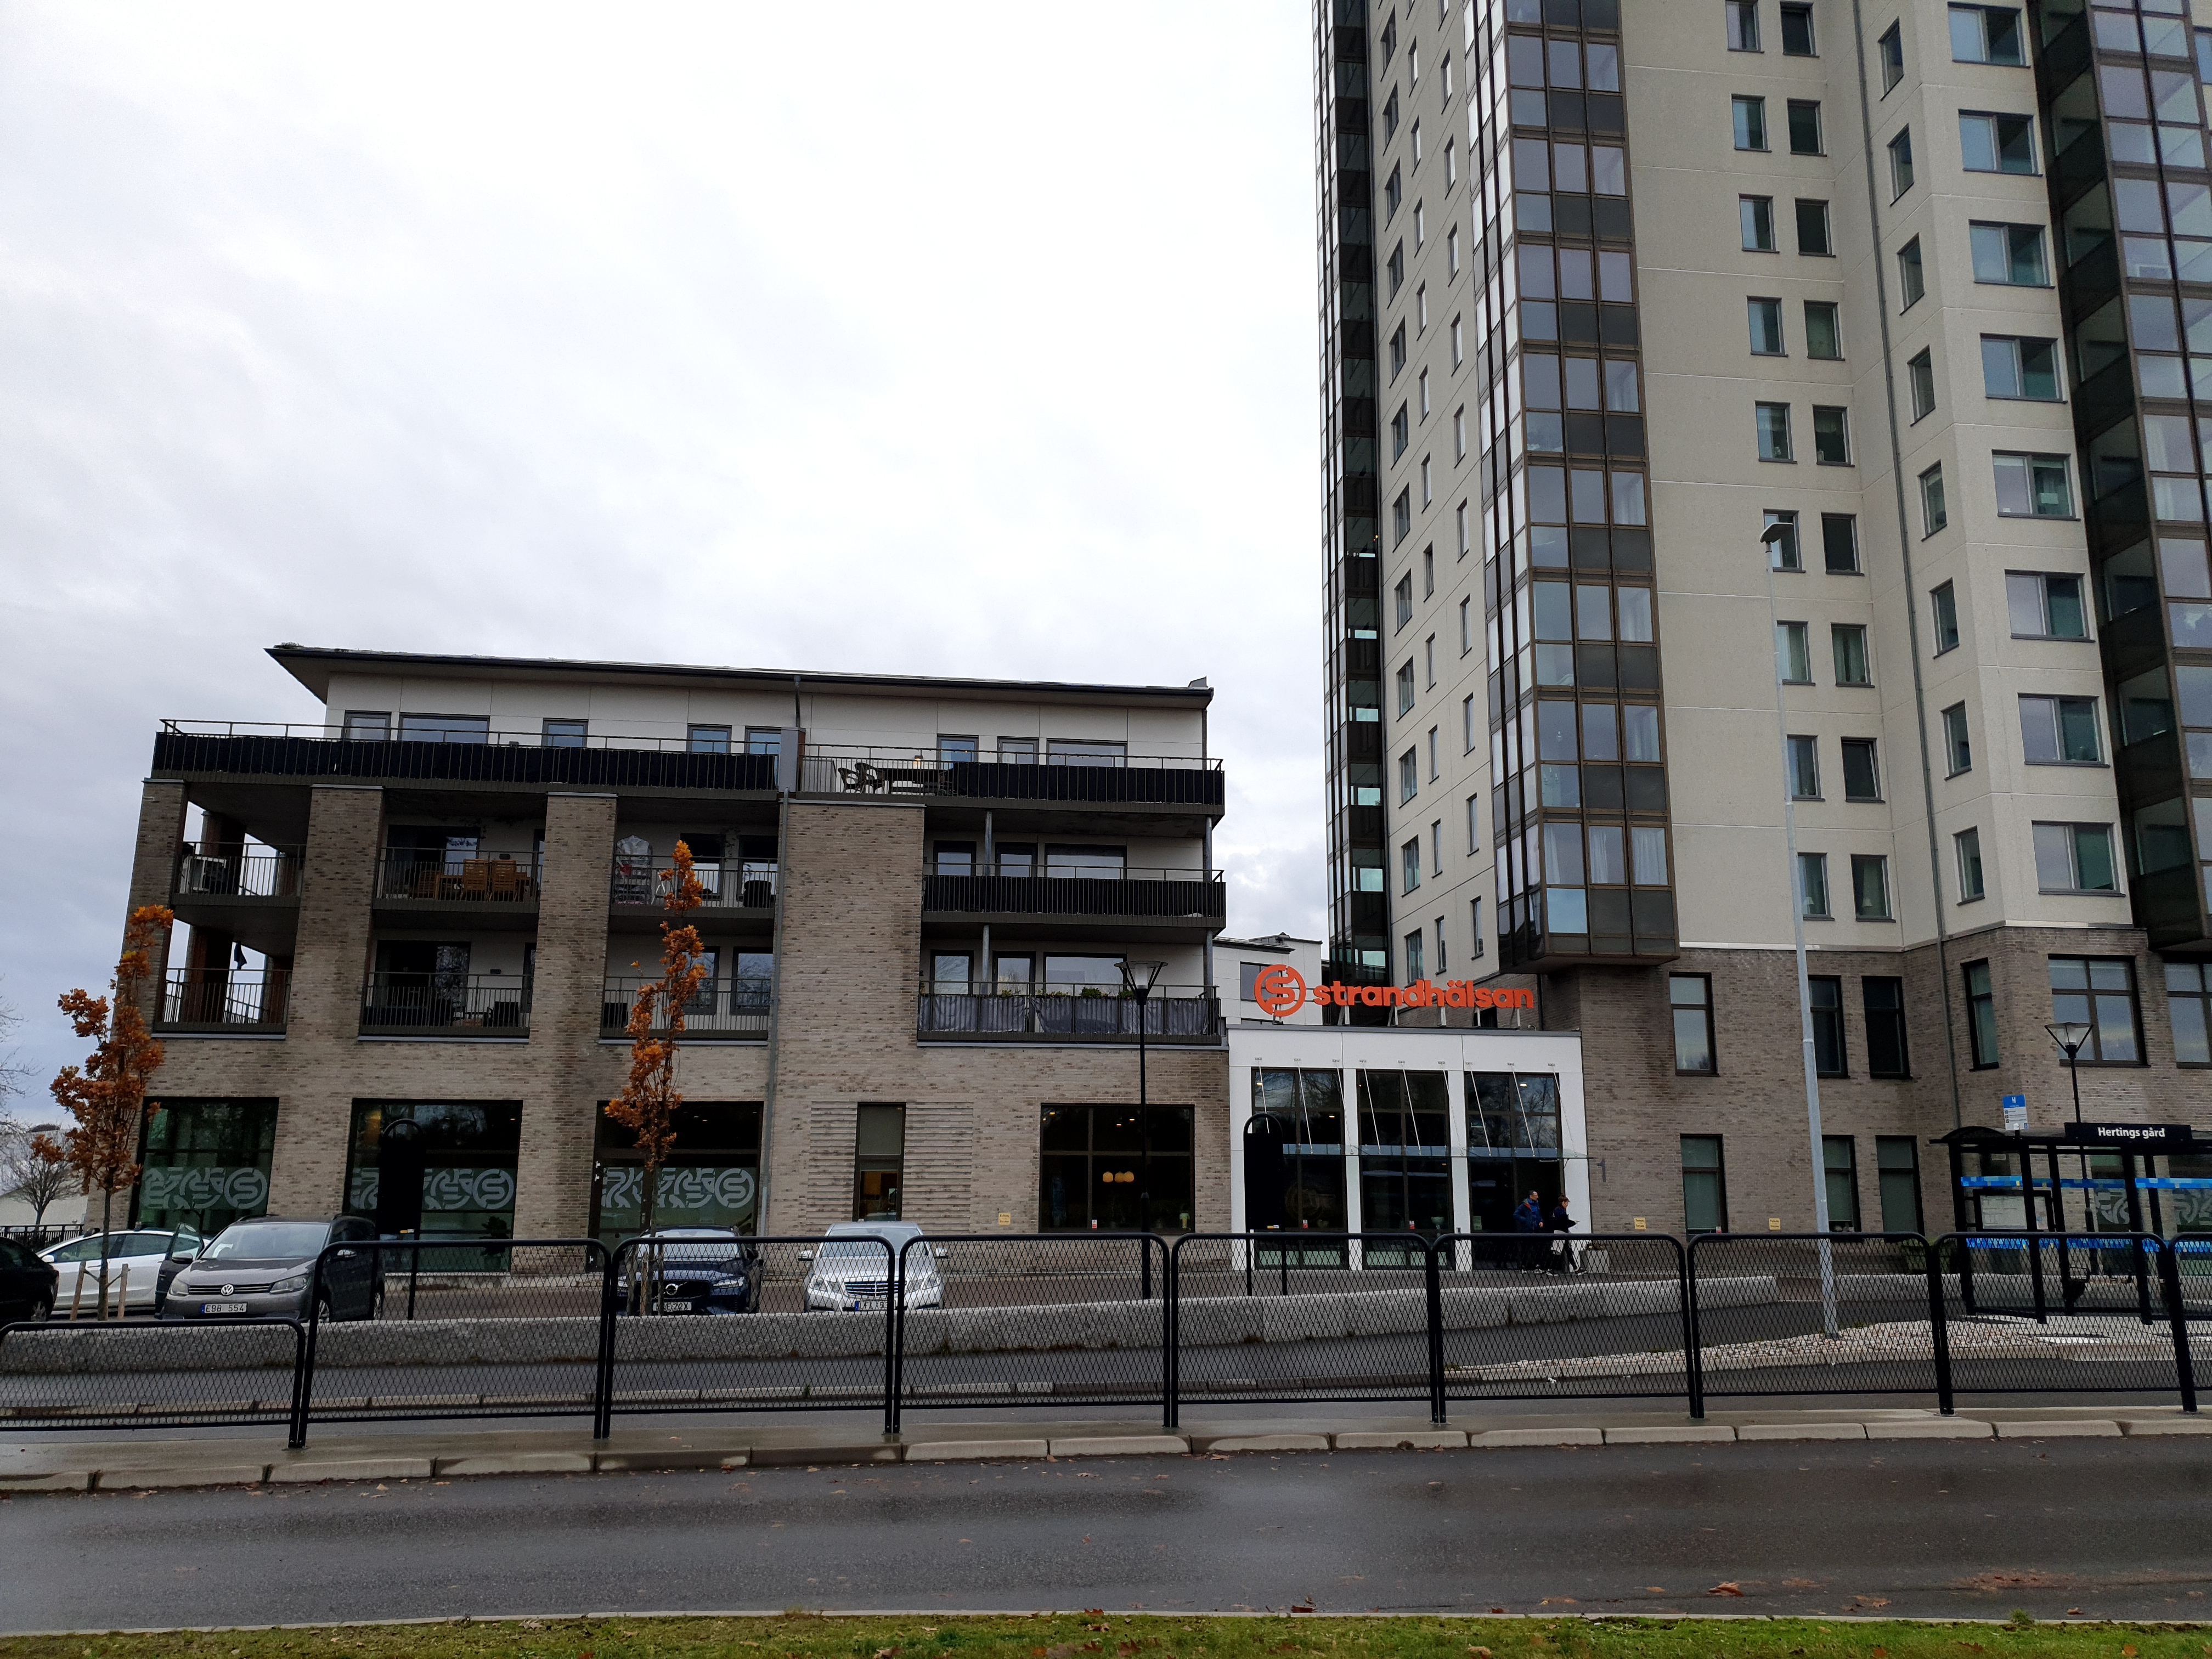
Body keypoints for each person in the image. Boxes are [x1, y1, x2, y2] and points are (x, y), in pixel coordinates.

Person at [1513, 1190, 1543, 1271]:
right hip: (1527, 1231)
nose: (1537, 1197)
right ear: (1531, 1196)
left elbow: (1539, 1215)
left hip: (1536, 1230)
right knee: (1525, 1249)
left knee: (1538, 1249)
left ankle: (1537, 1266)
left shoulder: (1537, 1204)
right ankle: (1523, 1266)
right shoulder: (1524, 1205)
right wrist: (1525, 1220)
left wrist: (1541, 1221)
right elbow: (1516, 1214)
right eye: (1536, 1196)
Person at [1548, 1194, 1578, 1274]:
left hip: (1562, 1233)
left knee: (1565, 1251)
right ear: (1563, 1203)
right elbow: (1563, 1222)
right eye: (1567, 1203)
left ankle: (1576, 1269)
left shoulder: (1559, 1210)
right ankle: (1551, 1269)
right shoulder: (1560, 1211)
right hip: (1560, 1233)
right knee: (1559, 1252)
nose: (1567, 1205)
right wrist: (1573, 1223)